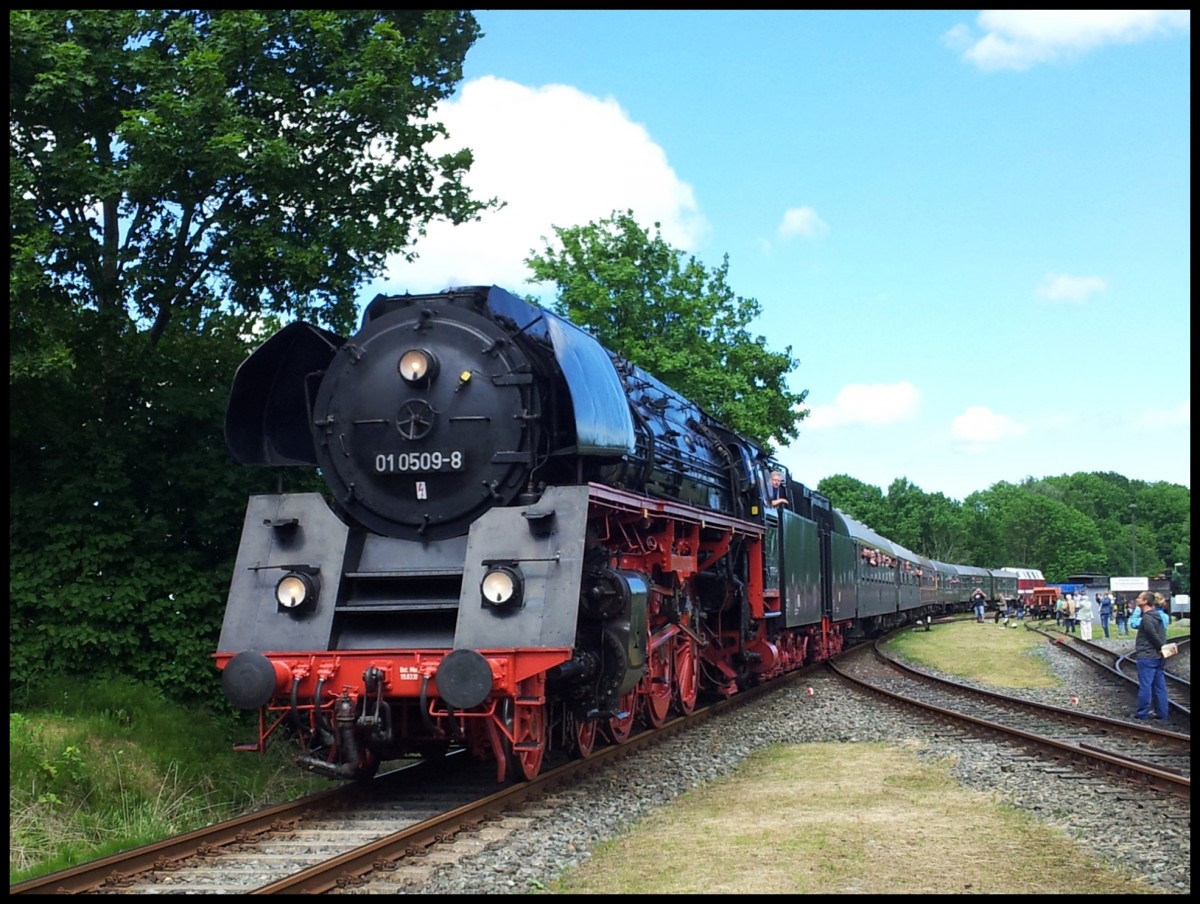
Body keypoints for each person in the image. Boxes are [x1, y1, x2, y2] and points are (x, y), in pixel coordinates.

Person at [1132, 591, 1170, 721]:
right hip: (1158, 657)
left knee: (1145, 685)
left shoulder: (1147, 618)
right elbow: (1161, 634)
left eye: (1139, 598)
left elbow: (1152, 635)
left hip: (1147, 655)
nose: (1137, 599)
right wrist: (1162, 649)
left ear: (1145, 601)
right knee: (1159, 685)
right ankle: (1162, 712)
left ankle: (1142, 713)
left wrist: (1160, 647)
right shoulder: (1158, 616)